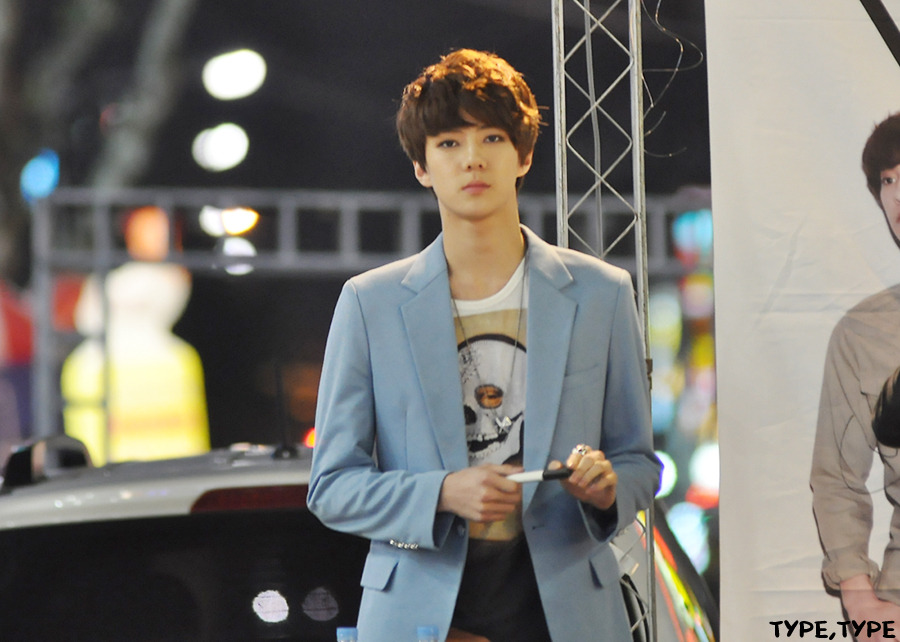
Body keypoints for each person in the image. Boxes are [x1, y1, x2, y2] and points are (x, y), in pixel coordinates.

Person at [307, 48, 661, 641]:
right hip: (424, 613)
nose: (472, 158)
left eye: (492, 138)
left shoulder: (600, 293)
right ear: (422, 167)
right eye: (449, 142)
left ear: (523, 155)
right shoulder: (371, 304)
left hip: (565, 609)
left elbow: (639, 462)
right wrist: (442, 492)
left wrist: (606, 489)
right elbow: (331, 486)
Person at [811, 112, 900, 637]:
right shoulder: (863, 333)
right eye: (888, 181)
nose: (898, 195)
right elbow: (836, 476)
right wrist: (859, 595)